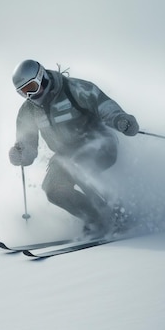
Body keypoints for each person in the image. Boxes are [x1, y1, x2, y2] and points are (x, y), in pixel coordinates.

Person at [8, 59, 139, 239]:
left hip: (100, 143)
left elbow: (104, 106)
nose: (30, 94)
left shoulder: (74, 89)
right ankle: (96, 220)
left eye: (31, 87)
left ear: (41, 77)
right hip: (66, 155)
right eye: (23, 92)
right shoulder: (29, 110)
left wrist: (121, 120)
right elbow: (27, 145)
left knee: (77, 165)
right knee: (52, 188)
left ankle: (120, 215)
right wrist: (20, 154)